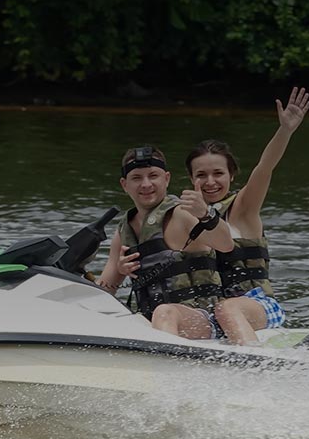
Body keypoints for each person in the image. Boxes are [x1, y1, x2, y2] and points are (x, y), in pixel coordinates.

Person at [184, 87, 309, 344]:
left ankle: (251, 369)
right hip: (213, 312)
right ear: (191, 179)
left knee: (227, 308)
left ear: (232, 175)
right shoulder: (184, 217)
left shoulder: (243, 208)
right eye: (201, 175)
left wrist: (285, 130)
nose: (210, 182)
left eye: (218, 173)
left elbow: (265, 167)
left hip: (257, 306)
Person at [95, 145, 236, 340]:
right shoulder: (124, 231)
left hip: (204, 319)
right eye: (137, 178)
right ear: (124, 184)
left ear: (166, 179)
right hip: (155, 322)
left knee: (164, 312)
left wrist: (206, 214)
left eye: (153, 176)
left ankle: (165, 368)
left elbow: (226, 244)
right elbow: (104, 291)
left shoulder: (182, 214)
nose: (146, 184)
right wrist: (119, 270)